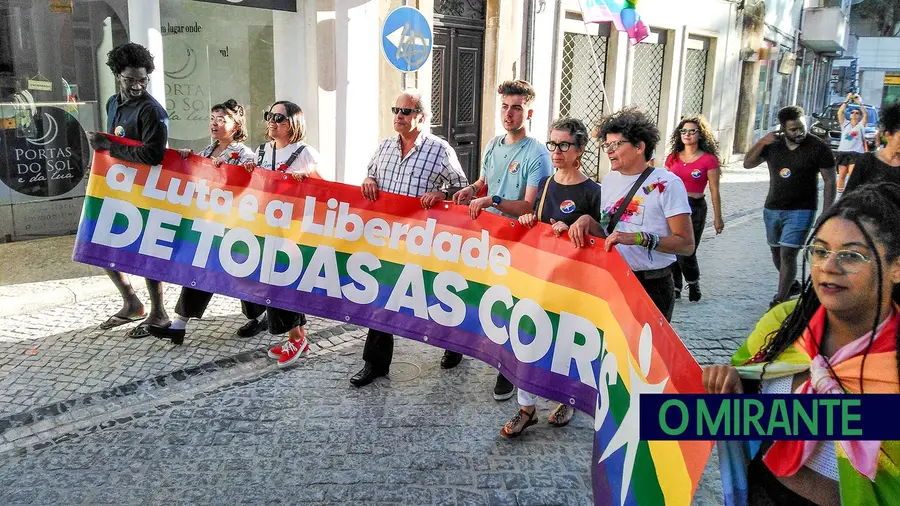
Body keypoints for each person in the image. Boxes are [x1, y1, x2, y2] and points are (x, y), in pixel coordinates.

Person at [704, 183, 900, 506]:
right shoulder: (783, 322)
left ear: (895, 267)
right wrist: (732, 384)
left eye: (851, 255)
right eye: (820, 251)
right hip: (761, 492)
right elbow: (745, 394)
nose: (828, 267)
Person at [350, 89, 468, 388]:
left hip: (423, 239)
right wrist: (367, 180)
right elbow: (371, 174)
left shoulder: (439, 150)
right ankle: (374, 363)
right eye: (396, 110)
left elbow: (463, 190)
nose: (399, 116)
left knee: (432, 294)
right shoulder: (385, 146)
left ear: (421, 117)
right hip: (387, 237)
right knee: (382, 294)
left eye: (405, 112)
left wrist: (441, 194)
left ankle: (454, 344)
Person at [450, 79, 553, 401]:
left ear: (529, 112)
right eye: (505, 107)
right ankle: (460, 346)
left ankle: (508, 372)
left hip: (520, 242)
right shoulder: (494, 143)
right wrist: (472, 189)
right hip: (488, 238)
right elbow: (485, 180)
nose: (509, 114)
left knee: (511, 307)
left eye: (517, 108)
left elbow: (529, 206)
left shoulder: (537, 153)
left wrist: (492, 200)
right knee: (479, 295)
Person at [499, 118, 602, 437]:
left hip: (576, 283)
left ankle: (567, 399)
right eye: (552, 144)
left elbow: (602, 242)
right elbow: (535, 226)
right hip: (540, 278)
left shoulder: (592, 191)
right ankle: (526, 408)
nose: (556, 151)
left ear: (580, 149)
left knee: (567, 344)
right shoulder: (544, 185)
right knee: (527, 339)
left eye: (564, 145)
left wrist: (577, 231)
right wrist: (531, 220)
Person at [147, 99, 269, 346]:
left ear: (236, 125)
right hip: (208, 224)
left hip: (232, 226)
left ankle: (260, 314)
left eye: (221, 119)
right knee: (202, 270)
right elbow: (194, 177)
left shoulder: (244, 155)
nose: (214, 124)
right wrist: (184, 159)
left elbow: (252, 189)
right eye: (212, 118)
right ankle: (179, 324)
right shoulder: (206, 151)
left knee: (237, 274)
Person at [86, 42, 170, 339]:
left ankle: (159, 313)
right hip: (117, 189)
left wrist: (109, 146)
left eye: (143, 80)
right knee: (100, 243)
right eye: (130, 79)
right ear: (116, 75)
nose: (137, 86)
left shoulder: (151, 111)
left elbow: (153, 155)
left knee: (146, 251)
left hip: (147, 193)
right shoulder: (113, 103)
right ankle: (132, 302)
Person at [578, 108, 694, 322]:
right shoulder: (610, 180)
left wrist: (638, 238)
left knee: (646, 353)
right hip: (613, 278)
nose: (609, 151)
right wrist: (586, 222)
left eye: (616, 145)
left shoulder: (667, 183)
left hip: (651, 284)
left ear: (640, 146)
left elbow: (686, 244)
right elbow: (609, 233)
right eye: (606, 145)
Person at [744, 105, 837, 309]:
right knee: (776, 253)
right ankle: (791, 285)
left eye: (802, 127)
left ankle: (781, 299)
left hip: (802, 210)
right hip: (772, 208)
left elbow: (830, 181)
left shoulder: (818, 147)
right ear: (783, 129)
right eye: (793, 129)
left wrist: (826, 213)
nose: (799, 132)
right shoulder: (773, 146)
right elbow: (747, 164)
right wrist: (762, 142)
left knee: (788, 254)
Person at [664, 115, 724, 302]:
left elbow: (715, 191)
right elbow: (664, 185)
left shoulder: (708, 160)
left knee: (687, 249)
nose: (687, 134)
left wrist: (718, 217)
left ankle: (693, 281)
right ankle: (675, 286)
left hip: (695, 207)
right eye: (683, 131)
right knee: (671, 246)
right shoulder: (672, 158)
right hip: (673, 206)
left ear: (701, 134)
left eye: (692, 131)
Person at [844, 101, 900, 193]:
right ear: (888, 135)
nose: (854, 115)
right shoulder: (867, 161)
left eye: (857, 113)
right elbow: (848, 196)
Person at [835, 93, 869, 193]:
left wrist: (860, 103)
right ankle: (839, 195)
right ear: (850, 115)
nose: (854, 114)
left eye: (857, 113)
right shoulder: (845, 124)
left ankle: (852, 194)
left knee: (852, 174)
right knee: (841, 175)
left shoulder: (861, 125)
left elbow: (866, 115)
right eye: (852, 112)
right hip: (843, 152)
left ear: (859, 116)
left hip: (856, 153)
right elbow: (840, 112)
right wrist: (847, 100)